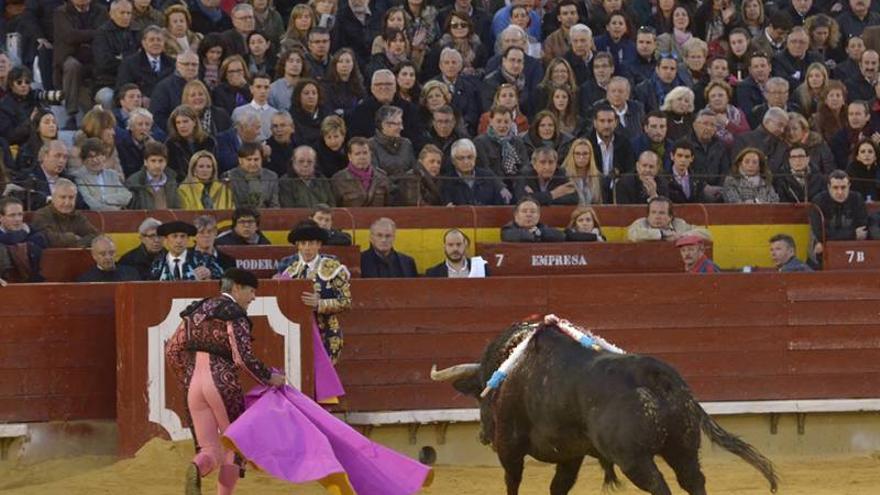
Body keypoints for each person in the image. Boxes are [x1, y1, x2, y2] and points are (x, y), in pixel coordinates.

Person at [165, 267, 286, 494]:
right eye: (251, 291)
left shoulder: (196, 311)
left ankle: (196, 468)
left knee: (208, 448)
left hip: (193, 386)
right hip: (221, 382)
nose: (253, 297)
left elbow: (173, 350)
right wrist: (269, 377)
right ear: (237, 288)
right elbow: (242, 357)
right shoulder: (234, 313)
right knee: (235, 444)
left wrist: (186, 378)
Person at [275, 219, 352, 365]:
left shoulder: (333, 268)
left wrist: (320, 304)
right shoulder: (289, 272)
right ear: (297, 245)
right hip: (297, 334)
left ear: (319, 245)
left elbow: (346, 302)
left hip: (326, 333)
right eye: (303, 243)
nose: (307, 248)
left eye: (311, 243)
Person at [810, 170, 869, 259]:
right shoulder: (818, 201)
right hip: (823, 251)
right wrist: (852, 234)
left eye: (843, 187)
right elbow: (820, 234)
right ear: (829, 187)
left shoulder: (857, 199)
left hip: (853, 249)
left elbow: (862, 231)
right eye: (835, 188)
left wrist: (830, 237)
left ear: (849, 186)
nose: (840, 192)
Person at [30, 178, 99, 248]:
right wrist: (73, 238)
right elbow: (47, 238)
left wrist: (78, 243)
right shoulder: (42, 214)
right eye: (63, 197)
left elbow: (95, 236)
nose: (67, 202)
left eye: (71, 197)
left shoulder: (78, 215)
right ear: (53, 198)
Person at [149, 220, 223, 281]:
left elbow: (224, 280)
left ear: (188, 239)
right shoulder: (157, 262)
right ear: (166, 240)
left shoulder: (204, 259)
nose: (179, 241)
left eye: (183, 236)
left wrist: (210, 274)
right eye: (174, 236)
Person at [441, 138, 507, 206]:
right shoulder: (447, 181)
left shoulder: (488, 177)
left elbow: (500, 204)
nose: (466, 162)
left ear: (475, 157)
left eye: (470, 157)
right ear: (453, 161)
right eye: (461, 158)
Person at [330, 137, 391, 207]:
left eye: (365, 153)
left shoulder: (382, 176)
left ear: (370, 154)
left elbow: (388, 205)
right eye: (357, 154)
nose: (362, 157)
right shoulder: (338, 179)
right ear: (350, 156)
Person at [0, 197, 47, 283]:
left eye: (20, 214)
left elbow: (41, 240)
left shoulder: (30, 230)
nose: (17, 219)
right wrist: (22, 235)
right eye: (12, 215)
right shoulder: (26, 232)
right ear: (1, 217)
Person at [626, 196, 711, 242]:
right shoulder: (641, 223)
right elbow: (633, 234)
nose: (657, 216)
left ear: (670, 217)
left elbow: (706, 234)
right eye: (653, 212)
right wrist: (663, 235)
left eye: (662, 213)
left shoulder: (678, 224)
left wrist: (681, 236)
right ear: (648, 215)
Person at [125, 141, 182, 209]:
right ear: (145, 162)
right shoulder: (134, 182)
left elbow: (177, 208)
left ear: (166, 162)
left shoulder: (172, 180)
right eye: (153, 161)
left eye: (161, 161)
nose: (157, 166)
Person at [222, 142, 280, 208]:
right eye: (249, 159)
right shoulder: (229, 176)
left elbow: (275, 206)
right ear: (240, 160)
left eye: (256, 159)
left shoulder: (271, 176)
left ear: (262, 159)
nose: (253, 163)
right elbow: (227, 206)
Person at [76, 235, 141, 282]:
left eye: (111, 253)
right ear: (94, 256)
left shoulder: (131, 274)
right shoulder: (86, 281)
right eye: (103, 254)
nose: (108, 257)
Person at [500, 197, 565, 243]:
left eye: (533, 211)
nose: (529, 214)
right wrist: (536, 234)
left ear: (539, 215)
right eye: (524, 211)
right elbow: (516, 236)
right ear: (516, 215)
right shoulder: (507, 230)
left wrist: (539, 232)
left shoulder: (541, 227)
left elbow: (561, 235)